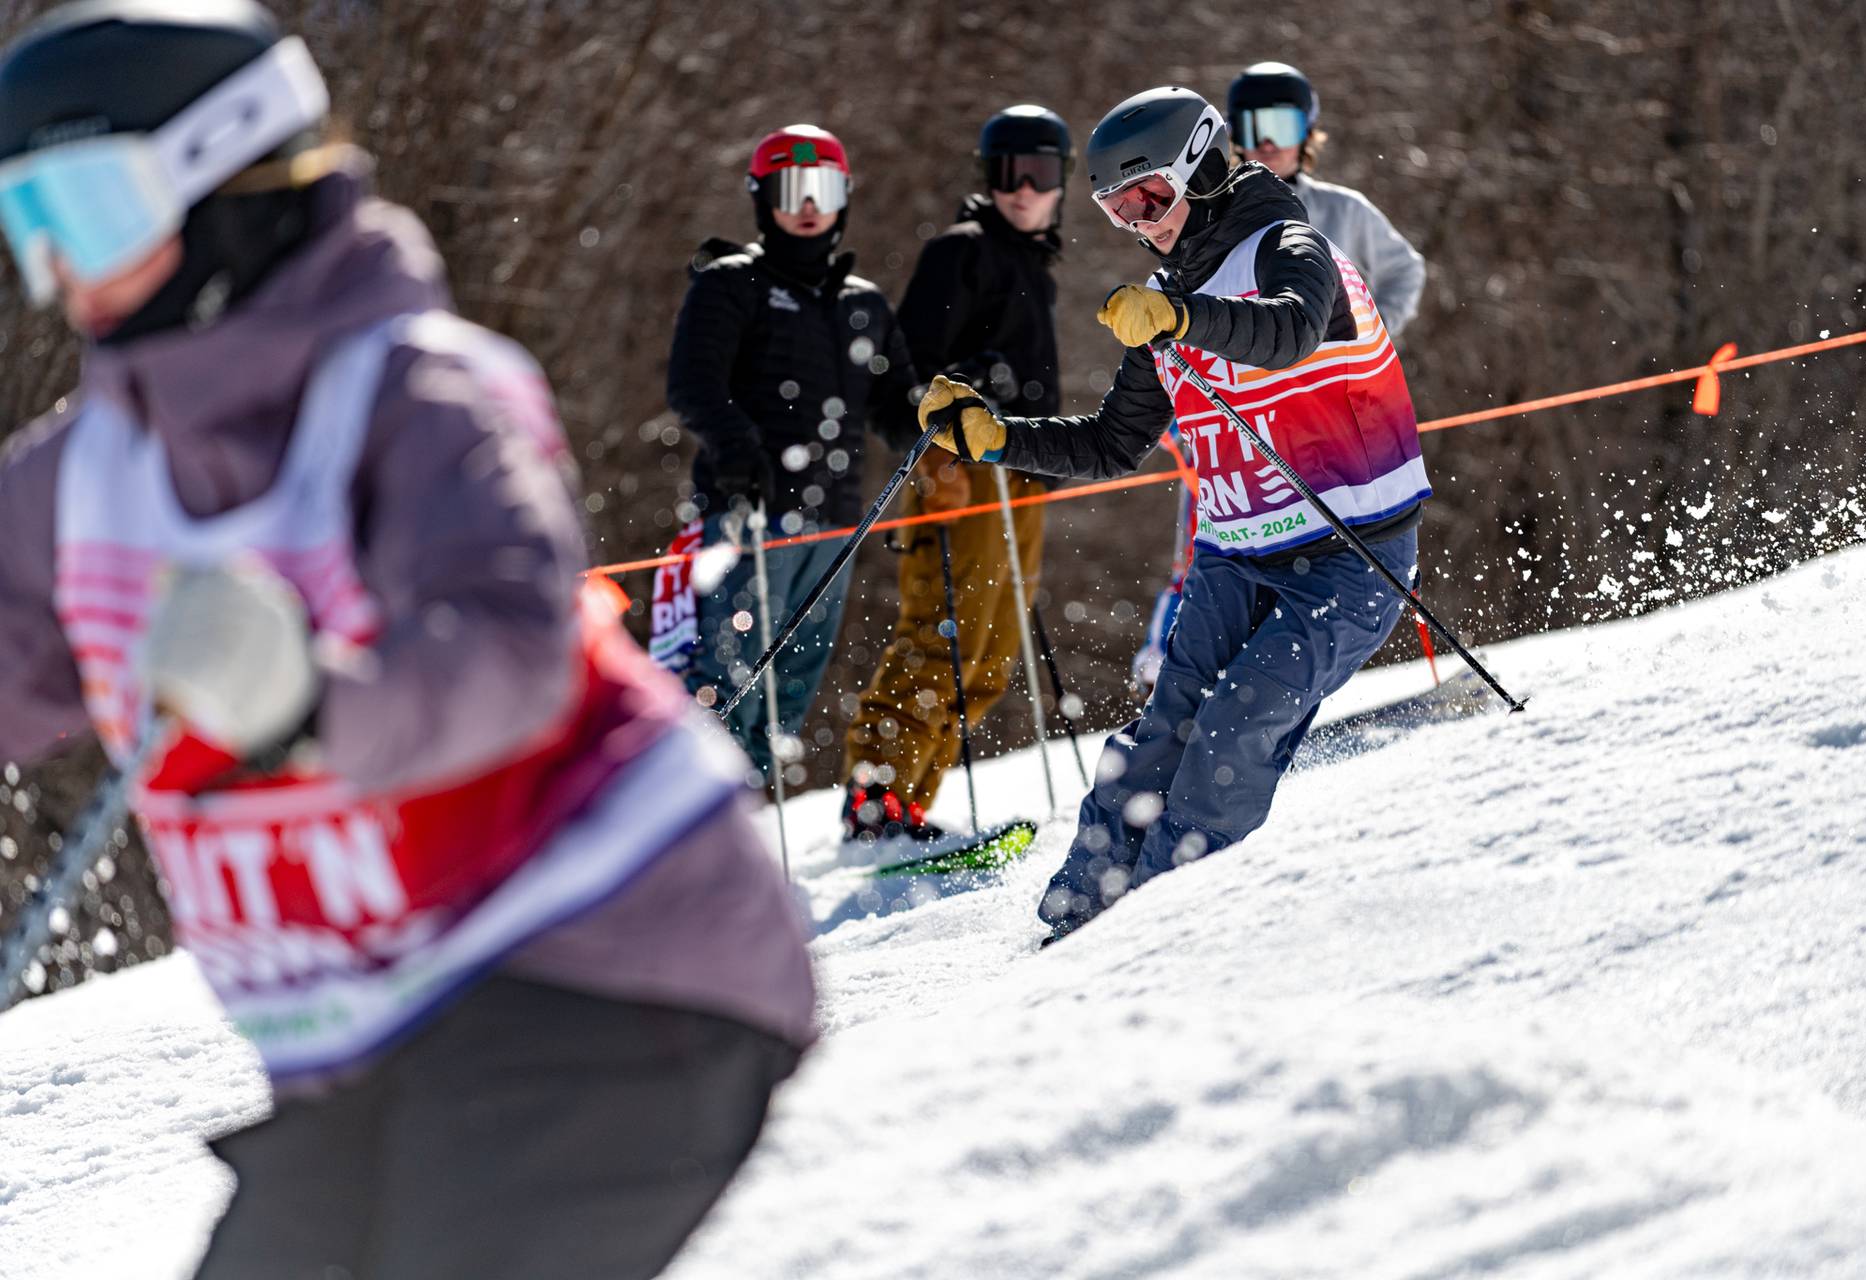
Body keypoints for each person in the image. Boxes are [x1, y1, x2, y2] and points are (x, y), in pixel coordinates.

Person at [0, 4, 813, 1276]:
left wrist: (306, 700)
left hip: (605, 963)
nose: (66, 272)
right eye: (27, 225)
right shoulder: (87, 472)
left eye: (90, 213)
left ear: (233, 172)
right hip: (378, 1030)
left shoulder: (416, 392)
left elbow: (510, 646)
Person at [915, 86, 1431, 941]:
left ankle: (1151, 936)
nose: (1140, 221)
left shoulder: (1287, 242)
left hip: (1346, 558)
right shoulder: (1168, 295)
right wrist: (995, 439)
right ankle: (1082, 914)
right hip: (1235, 558)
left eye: (1149, 197)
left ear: (1201, 163)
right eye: (1117, 210)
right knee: (1160, 733)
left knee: (1232, 732)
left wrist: (1184, 316)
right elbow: (1115, 443)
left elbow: (1292, 331)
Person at [1131, 61, 1428, 692]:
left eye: (1283, 123)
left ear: (1309, 132)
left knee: (1345, 519)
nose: (1267, 139)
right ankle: (1172, 654)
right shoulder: (1203, 221)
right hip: (1230, 407)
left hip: (1326, 406)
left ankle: (1298, 658)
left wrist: (1370, 327)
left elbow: (1406, 270)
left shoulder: (1337, 210)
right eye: (1251, 125)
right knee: (1214, 528)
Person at [663, 124, 920, 788]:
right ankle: (695, 821)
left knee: (793, 684)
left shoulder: (861, 302)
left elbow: (893, 404)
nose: (808, 205)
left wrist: (938, 413)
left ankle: (747, 814)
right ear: (761, 198)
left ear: (844, 198)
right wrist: (737, 447)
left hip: (834, 522)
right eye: (790, 189)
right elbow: (693, 386)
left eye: (824, 189)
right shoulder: (732, 284)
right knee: (732, 676)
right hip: (750, 515)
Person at [840, 104, 1070, 842]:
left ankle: (909, 803)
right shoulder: (961, 250)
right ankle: (876, 796)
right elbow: (900, 374)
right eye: (1009, 173)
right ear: (988, 176)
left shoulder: (1034, 264)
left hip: (1022, 471)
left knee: (993, 657)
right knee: (944, 637)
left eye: (1039, 173)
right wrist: (963, 394)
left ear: (1062, 181)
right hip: (963, 470)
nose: (1023, 189)